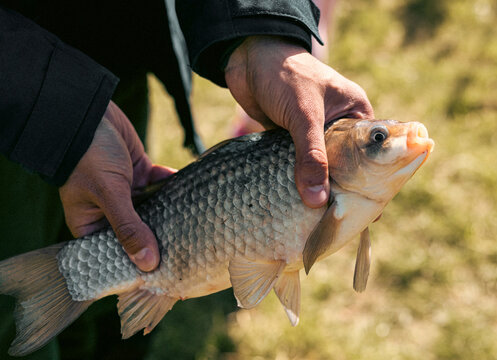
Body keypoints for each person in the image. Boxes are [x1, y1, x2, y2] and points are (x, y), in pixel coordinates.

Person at [0, 1, 373, 359]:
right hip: (12, 92)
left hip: (115, 50)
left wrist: (261, 26)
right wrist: (61, 110)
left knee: (109, 319)